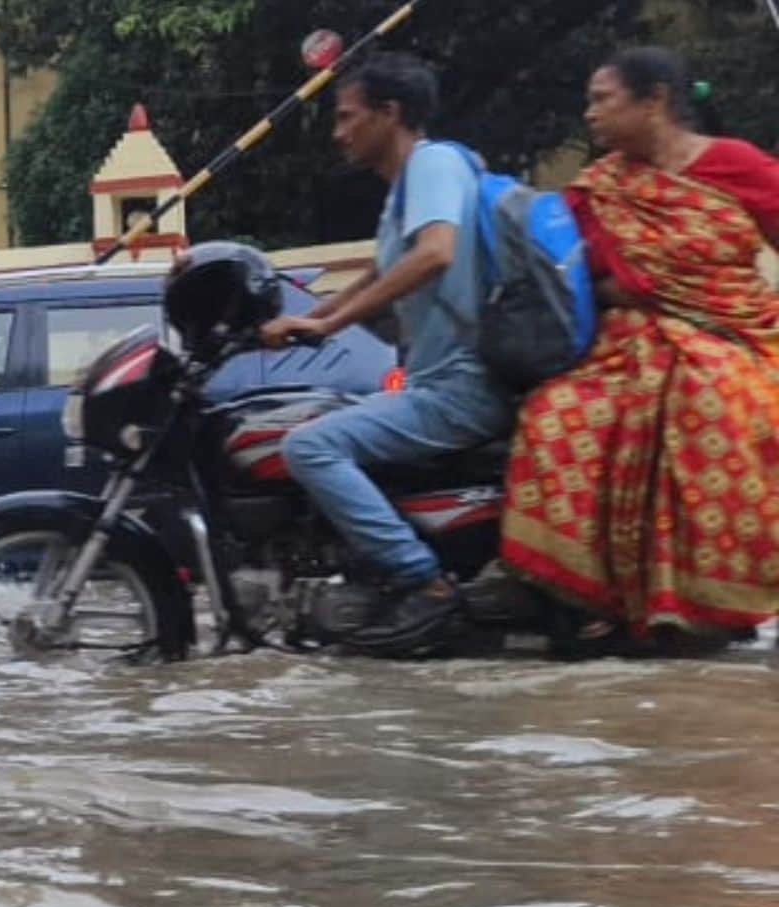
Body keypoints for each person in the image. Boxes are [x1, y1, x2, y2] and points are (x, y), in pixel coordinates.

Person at [502, 47, 779, 643]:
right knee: (554, 414)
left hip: (736, 336)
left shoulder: (736, 165)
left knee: (713, 399)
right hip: (622, 349)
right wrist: (623, 291)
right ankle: (597, 600)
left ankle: (706, 598)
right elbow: (566, 278)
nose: (590, 114)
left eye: (602, 99)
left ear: (654, 101)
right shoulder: (596, 189)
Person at [258, 52, 515, 655]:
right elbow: (378, 274)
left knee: (309, 445)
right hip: (440, 380)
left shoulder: (433, 163)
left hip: (460, 385)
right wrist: (303, 319)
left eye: (348, 116)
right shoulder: (405, 191)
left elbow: (434, 254)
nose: (338, 132)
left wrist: (330, 324)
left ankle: (423, 582)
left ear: (389, 113)